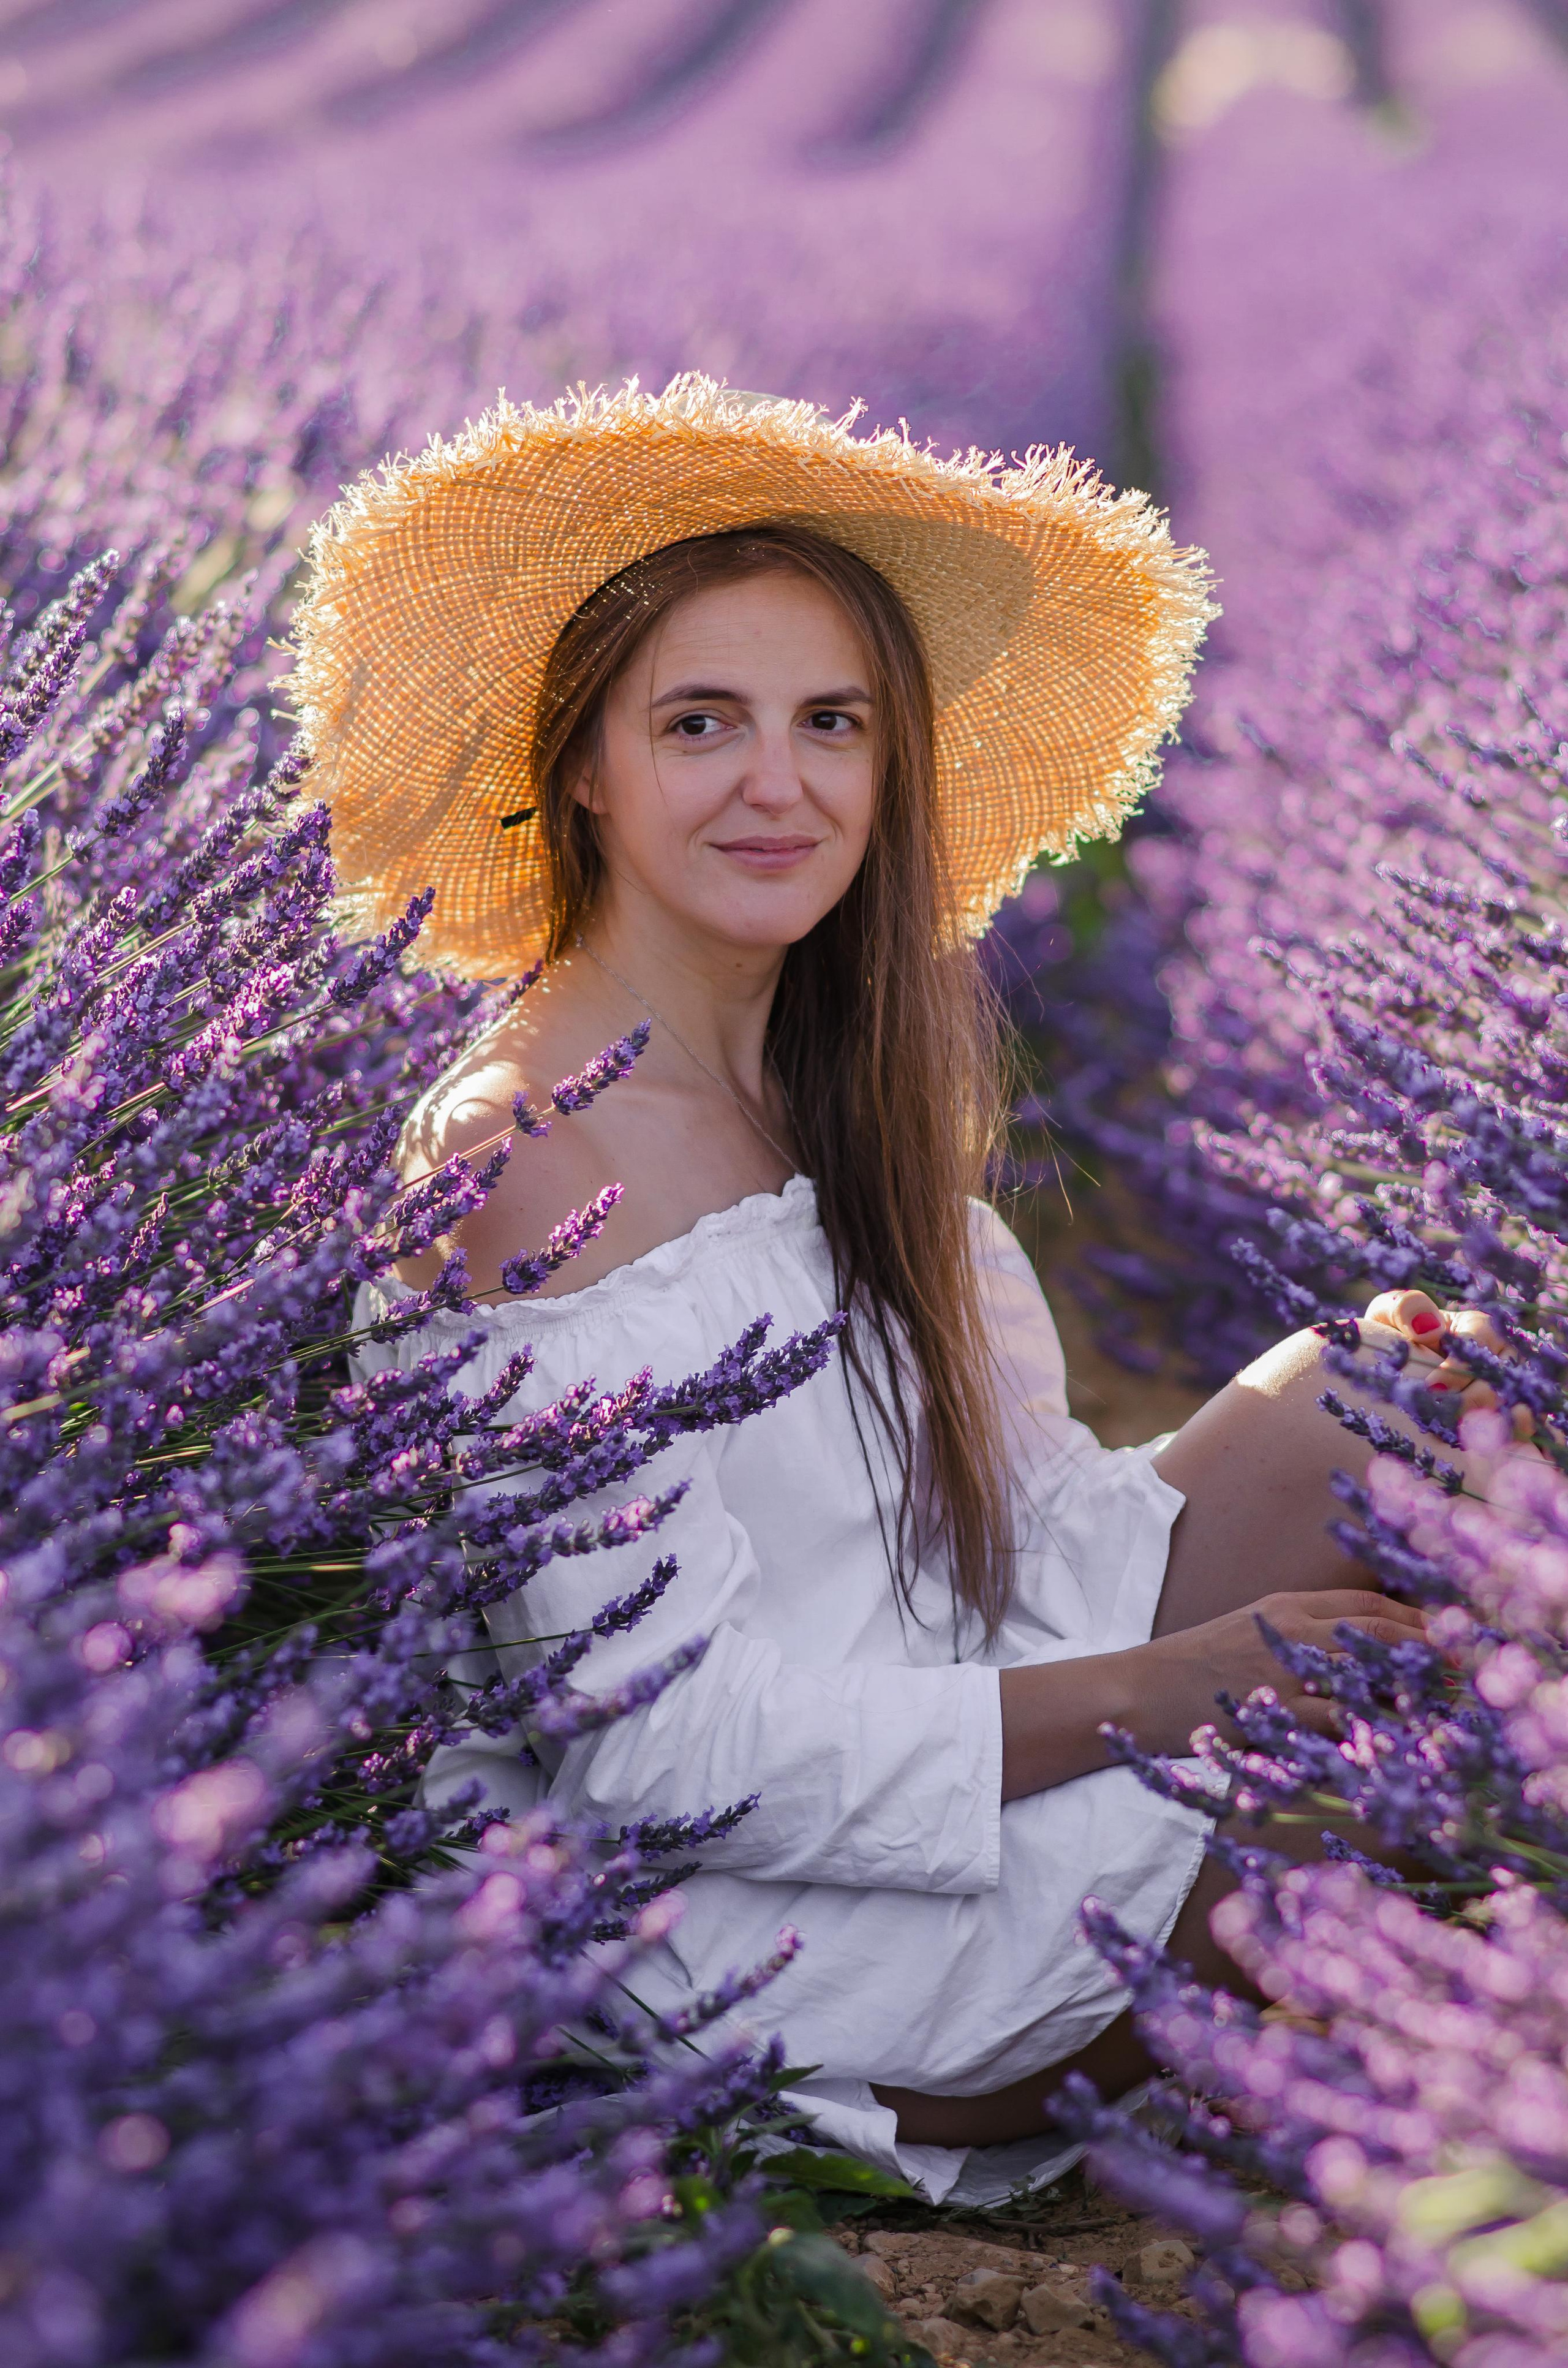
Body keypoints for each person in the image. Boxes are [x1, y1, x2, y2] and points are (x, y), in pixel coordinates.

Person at [292, 379, 1496, 2204]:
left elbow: (992, 1543)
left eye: (830, 722)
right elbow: (660, 1757)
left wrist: (1250, 1573)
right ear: (583, 767)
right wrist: (1190, 1684)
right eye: (703, 721)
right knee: (1421, 1872)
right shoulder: (529, 1158)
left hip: (984, 1721)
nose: (781, 782)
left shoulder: (828, 1075)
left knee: (1432, 1382)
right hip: (812, 1942)